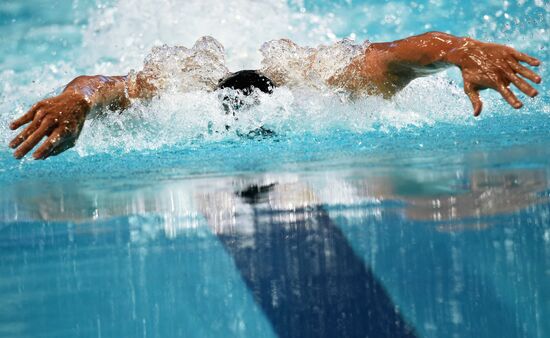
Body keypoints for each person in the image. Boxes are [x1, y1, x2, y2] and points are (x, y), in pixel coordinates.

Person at [8, 31, 542, 160]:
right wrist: (76, 100)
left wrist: (460, 49)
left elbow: (396, 53)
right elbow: (103, 85)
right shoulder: (176, 91)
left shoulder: (327, 81)